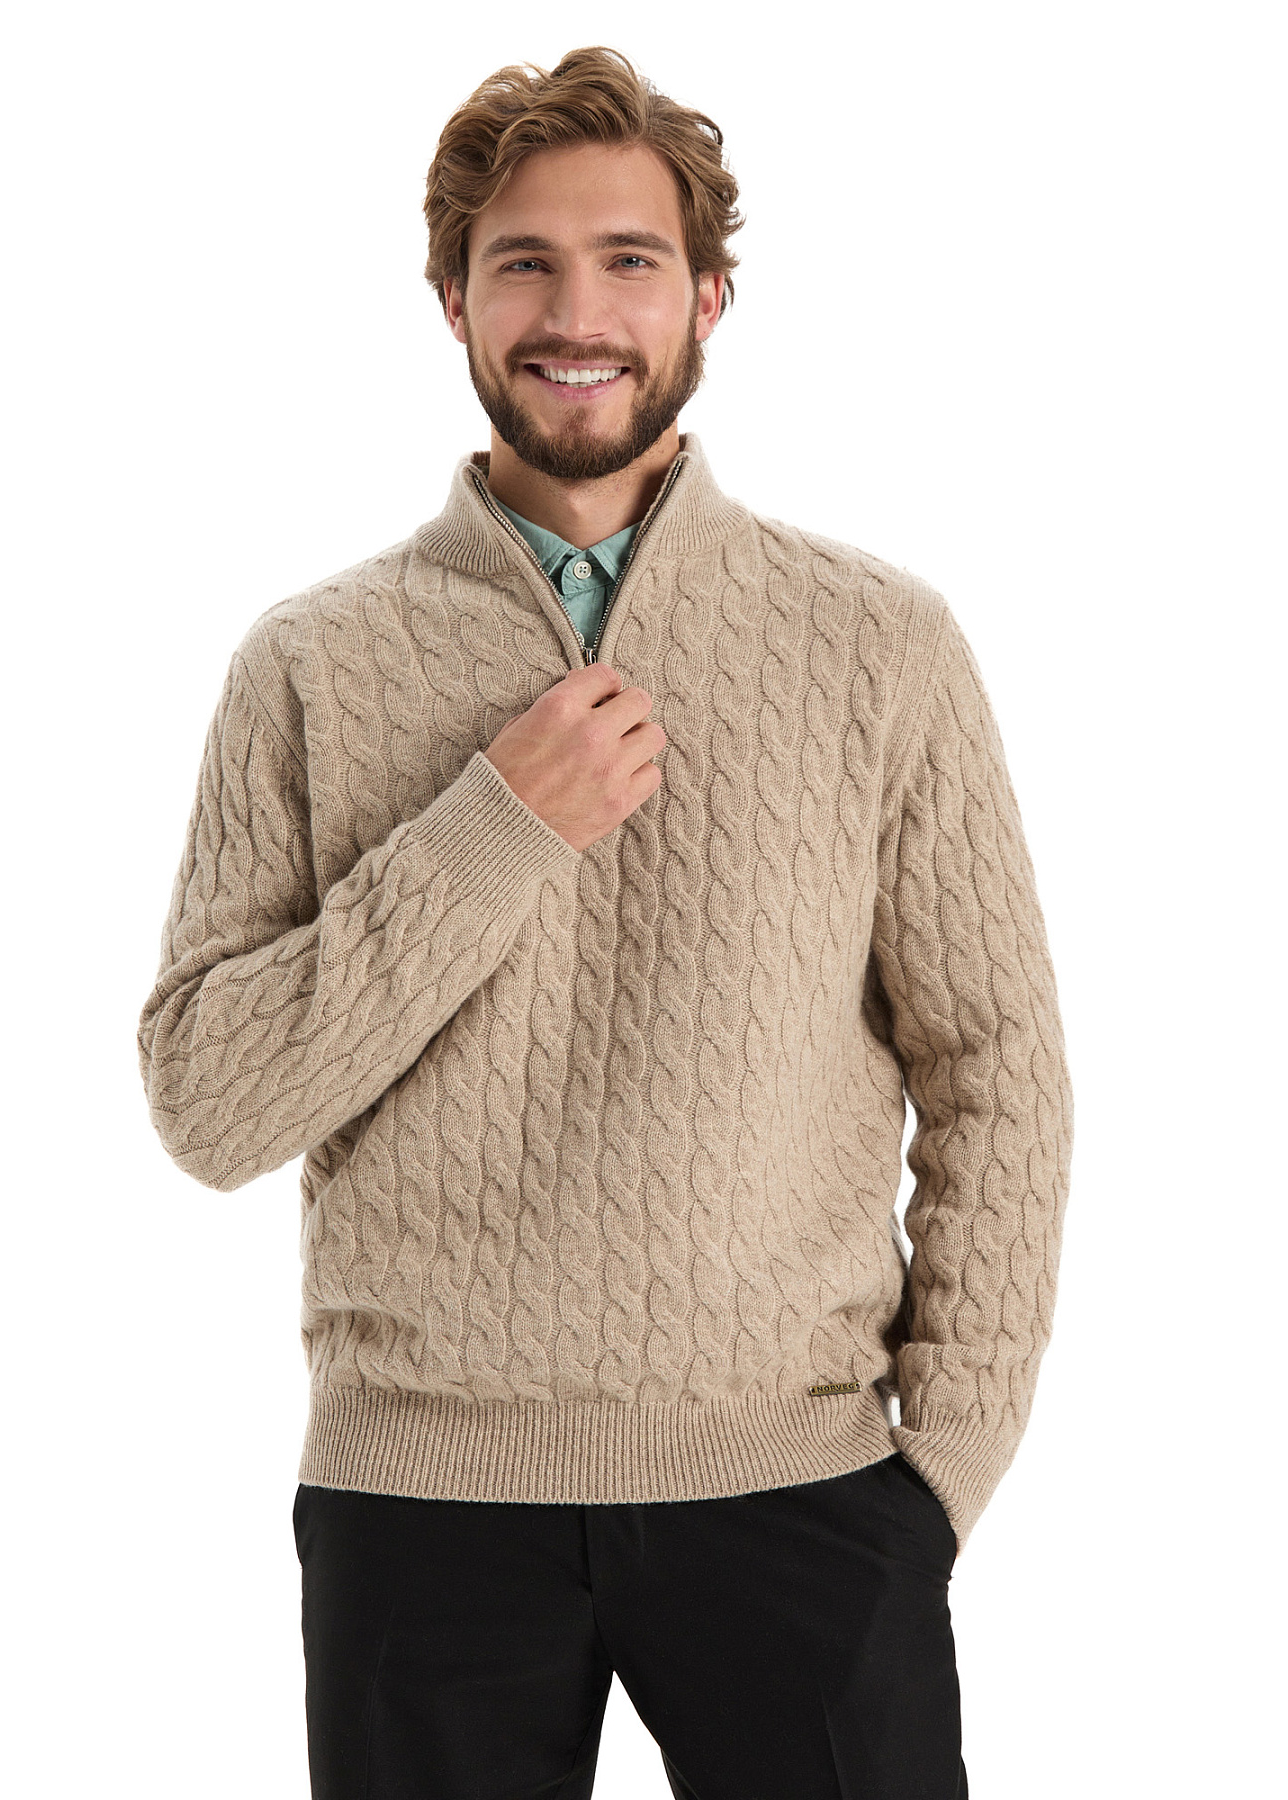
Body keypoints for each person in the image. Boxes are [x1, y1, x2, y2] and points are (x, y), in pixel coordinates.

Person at [137, 44, 1073, 1800]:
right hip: (418, 1509)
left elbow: (997, 1070)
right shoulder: (309, 664)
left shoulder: (878, 644)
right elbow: (208, 1103)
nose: (578, 316)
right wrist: (493, 828)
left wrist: (940, 1467)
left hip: (799, 1495)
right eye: (526, 264)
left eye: (629, 260)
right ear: (453, 302)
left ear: (707, 297)